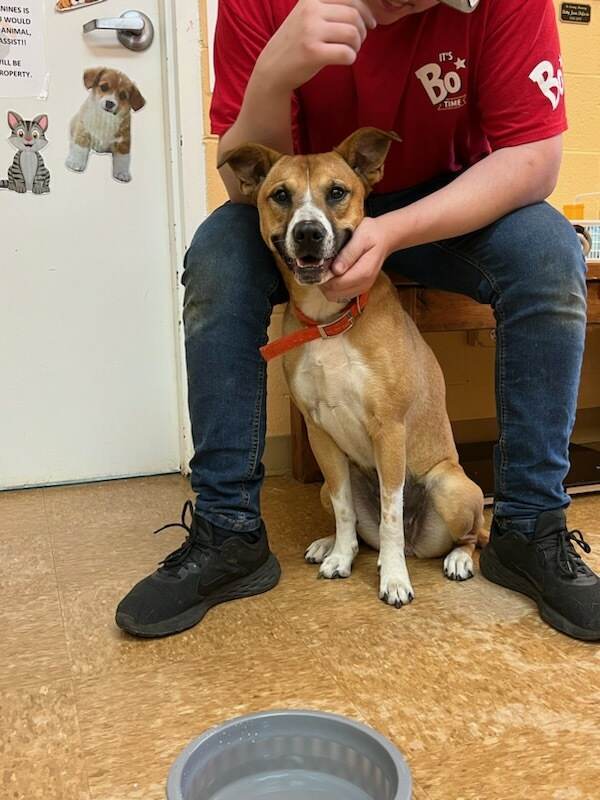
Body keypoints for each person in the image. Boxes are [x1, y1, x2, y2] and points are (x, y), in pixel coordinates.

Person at [116, 0, 600, 641]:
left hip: (454, 196)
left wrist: (389, 230)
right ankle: (227, 530)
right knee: (216, 261)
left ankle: (530, 527)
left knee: (549, 252)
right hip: (308, 205)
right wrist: (274, 73)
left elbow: (535, 161)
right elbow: (243, 184)